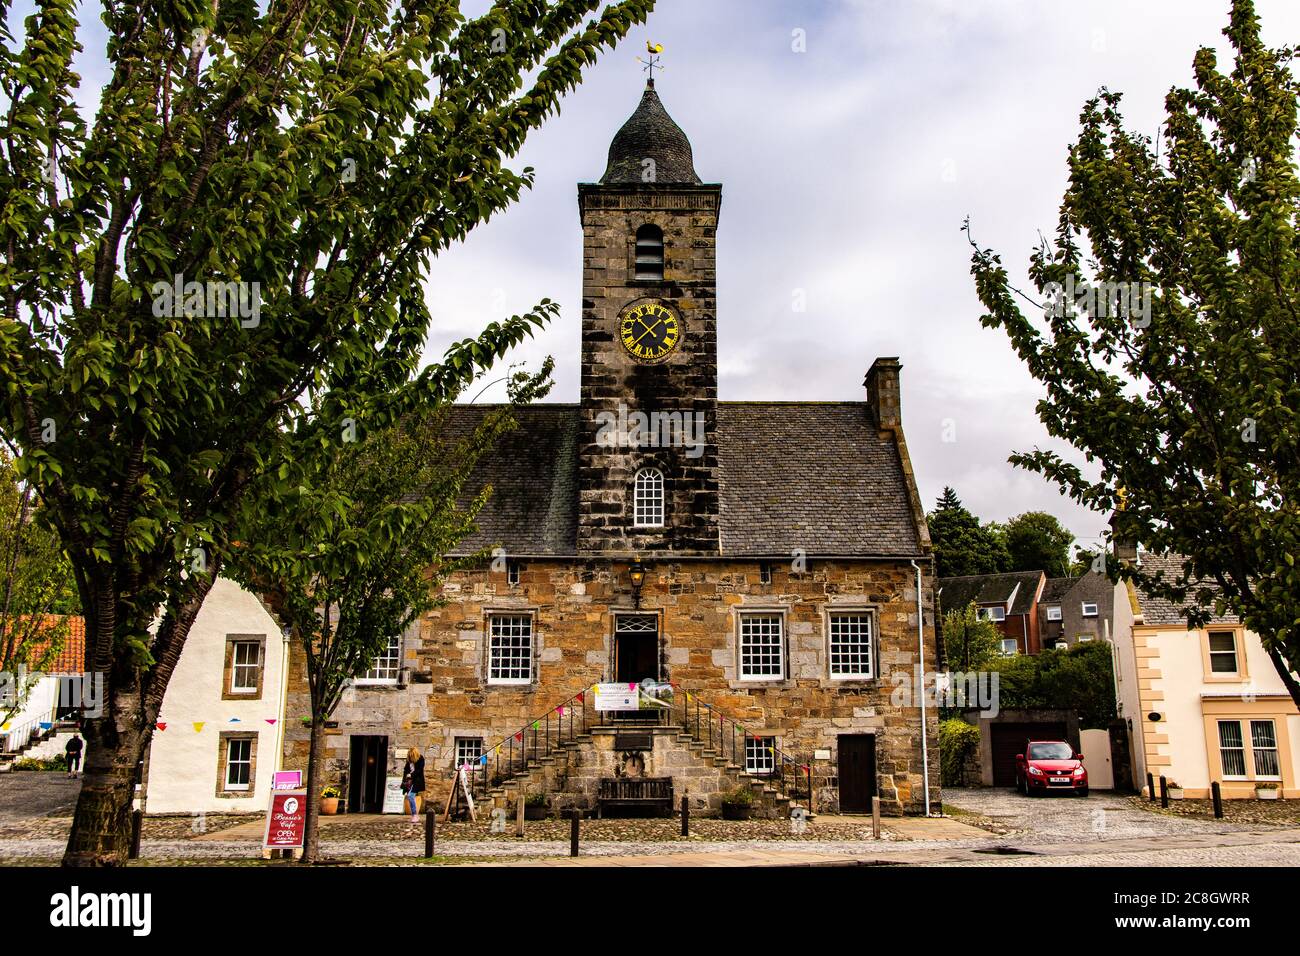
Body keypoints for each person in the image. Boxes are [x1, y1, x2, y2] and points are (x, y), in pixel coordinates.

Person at [401, 746, 425, 825]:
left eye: (411, 756)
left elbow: (419, 771)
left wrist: (411, 775)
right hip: (409, 782)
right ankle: (413, 815)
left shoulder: (420, 759)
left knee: (411, 796)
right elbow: (405, 770)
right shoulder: (409, 761)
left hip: (417, 781)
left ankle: (415, 815)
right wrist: (404, 780)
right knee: (409, 796)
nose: (410, 758)